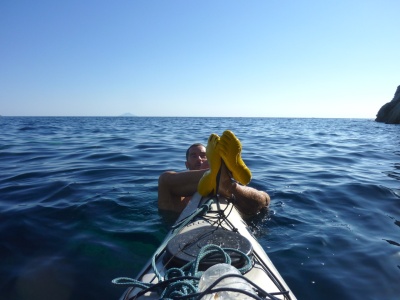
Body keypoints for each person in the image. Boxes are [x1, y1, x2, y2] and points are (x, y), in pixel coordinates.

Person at [158, 130, 270, 219]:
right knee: (164, 179)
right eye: (193, 156)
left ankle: (220, 179)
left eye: (203, 155)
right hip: (179, 217)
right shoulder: (179, 193)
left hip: (238, 203)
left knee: (264, 198)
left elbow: (264, 202)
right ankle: (222, 176)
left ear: (211, 159)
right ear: (187, 164)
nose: (199, 159)